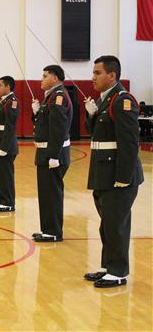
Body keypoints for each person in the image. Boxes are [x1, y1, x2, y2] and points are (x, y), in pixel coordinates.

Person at [83, 55, 144, 288]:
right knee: (107, 223)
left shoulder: (122, 100)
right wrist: (91, 114)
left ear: (112, 75)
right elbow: (97, 134)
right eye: (93, 72)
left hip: (118, 175)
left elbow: (129, 142)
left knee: (116, 223)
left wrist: (123, 177)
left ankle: (118, 272)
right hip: (103, 173)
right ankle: (109, 266)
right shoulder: (105, 101)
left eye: (97, 73)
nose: (93, 77)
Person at [30, 65, 73, 243]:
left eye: (45, 76)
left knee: (52, 194)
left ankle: (53, 231)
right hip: (45, 153)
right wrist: (36, 113)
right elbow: (46, 123)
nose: (41, 79)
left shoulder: (58, 96)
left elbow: (59, 128)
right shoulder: (51, 97)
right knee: (46, 194)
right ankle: (48, 229)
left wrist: (54, 155)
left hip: (52, 154)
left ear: (55, 78)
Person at [0, 76, 19, 212]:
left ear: (8, 86)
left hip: (5, 146)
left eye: (0, 85)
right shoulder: (3, 102)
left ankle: (8, 203)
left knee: (6, 176)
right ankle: (2, 202)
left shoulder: (12, 102)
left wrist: (4, 147)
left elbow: (10, 126)